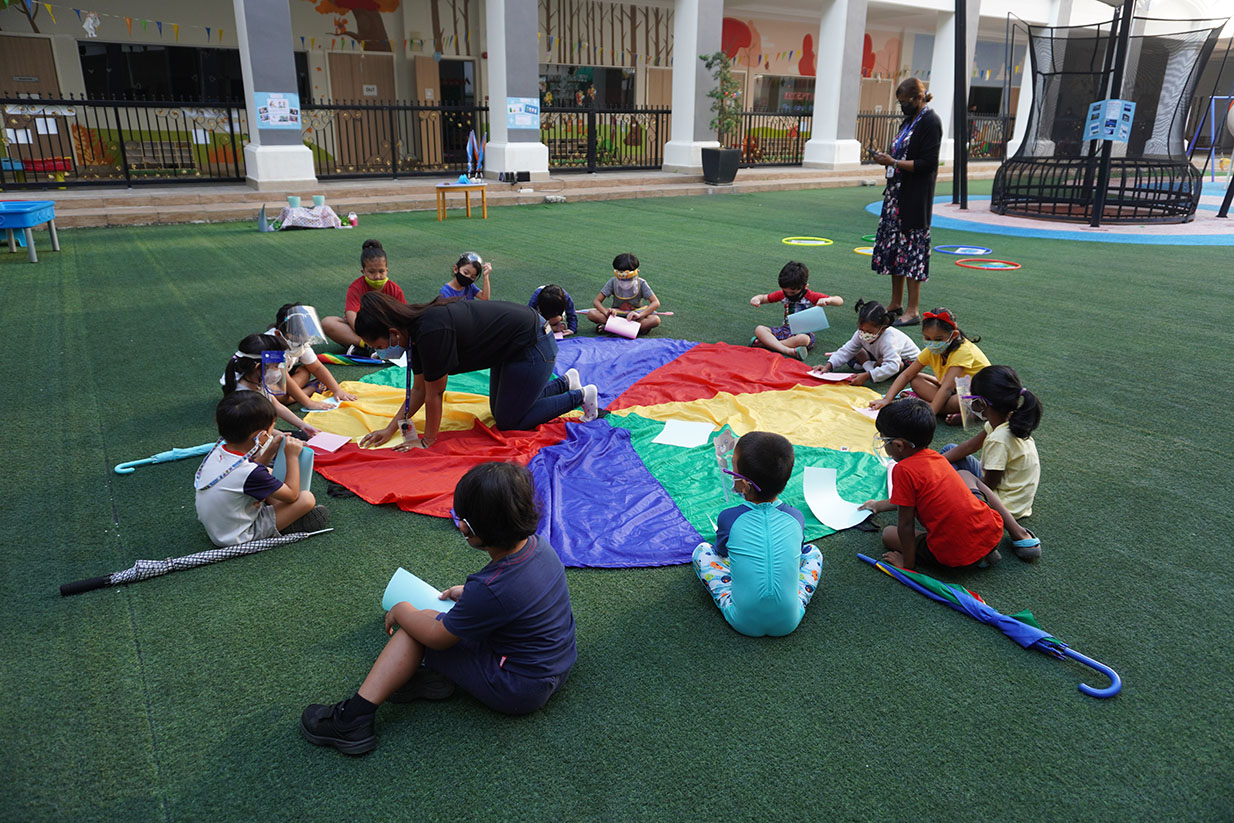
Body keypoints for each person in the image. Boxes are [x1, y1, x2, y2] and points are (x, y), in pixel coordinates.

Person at [300, 462, 577, 755]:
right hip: (556, 665)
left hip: (519, 687)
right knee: (430, 622)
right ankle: (430, 680)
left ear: (468, 529)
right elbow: (520, 598)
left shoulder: (490, 588)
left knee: (416, 628)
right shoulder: (539, 546)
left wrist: (402, 610)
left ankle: (352, 722)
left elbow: (437, 637)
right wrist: (470, 596)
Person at [353, 292, 599, 449]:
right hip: (510, 349)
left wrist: (427, 441)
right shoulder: (414, 333)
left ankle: (581, 395)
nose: (382, 353)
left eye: (380, 347)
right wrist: (390, 429)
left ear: (393, 333)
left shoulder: (430, 332)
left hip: (533, 345)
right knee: (501, 412)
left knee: (511, 421)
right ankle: (565, 382)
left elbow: (434, 393)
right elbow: (418, 390)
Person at [692, 432, 822, 637]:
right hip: (788, 622)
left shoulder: (729, 518)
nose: (730, 473)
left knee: (702, 551)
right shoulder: (796, 517)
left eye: (733, 469)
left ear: (744, 485)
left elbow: (721, 552)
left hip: (742, 621)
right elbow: (798, 552)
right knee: (813, 552)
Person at [858, 398, 1010, 571]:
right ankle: (988, 552)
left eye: (884, 440)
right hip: (991, 533)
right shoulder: (937, 458)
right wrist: (878, 505)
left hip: (956, 552)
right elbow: (908, 499)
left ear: (899, 445)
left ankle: (975, 558)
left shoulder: (903, 470)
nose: (883, 444)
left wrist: (907, 564)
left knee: (888, 534)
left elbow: (906, 525)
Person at [195, 392, 327, 547]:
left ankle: (282, 514)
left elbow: (252, 471)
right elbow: (292, 495)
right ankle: (285, 527)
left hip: (219, 527)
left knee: (268, 474)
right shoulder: (250, 472)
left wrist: (270, 450)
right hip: (237, 536)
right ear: (261, 436)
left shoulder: (219, 451)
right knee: (306, 499)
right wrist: (292, 456)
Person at [940, 365, 1042, 560]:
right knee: (949, 451)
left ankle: (981, 539)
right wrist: (934, 463)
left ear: (980, 403)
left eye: (972, 398)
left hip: (1004, 504)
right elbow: (969, 447)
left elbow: (988, 485)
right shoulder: (1005, 422)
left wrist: (952, 483)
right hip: (1014, 497)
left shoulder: (999, 439)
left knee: (959, 478)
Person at [870, 77, 943, 328]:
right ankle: (895, 303)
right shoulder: (909, 121)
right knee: (895, 250)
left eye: (905, 102)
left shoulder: (930, 122)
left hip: (914, 198)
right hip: (896, 196)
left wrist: (893, 162)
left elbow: (928, 163)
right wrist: (888, 159)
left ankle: (912, 310)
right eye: (900, 102)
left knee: (912, 252)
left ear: (919, 98)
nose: (902, 106)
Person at [869, 307, 988, 424]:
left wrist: (930, 413)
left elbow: (947, 388)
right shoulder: (931, 350)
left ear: (953, 335)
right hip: (952, 389)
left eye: (938, 339)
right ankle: (956, 411)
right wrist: (887, 399)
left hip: (974, 393)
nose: (932, 343)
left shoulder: (963, 351)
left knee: (959, 401)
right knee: (915, 379)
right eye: (927, 338)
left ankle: (938, 408)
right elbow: (906, 375)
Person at [221, 333, 320, 439]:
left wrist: (303, 425)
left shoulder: (256, 382)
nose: (279, 371)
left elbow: (277, 406)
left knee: (304, 436)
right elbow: (255, 431)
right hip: (253, 439)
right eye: (276, 366)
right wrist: (282, 437)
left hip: (263, 432)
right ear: (258, 366)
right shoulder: (245, 398)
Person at [321, 239, 407, 355]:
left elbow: (403, 315)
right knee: (327, 323)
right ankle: (367, 346)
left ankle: (365, 348)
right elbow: (351, 315)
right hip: (360, 331)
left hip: (385, 331)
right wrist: (366, 337)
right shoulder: (356, 287)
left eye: (381, 271)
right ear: (363, 272)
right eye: (371, 272)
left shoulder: (394, 289)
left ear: (387, 270)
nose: (377, 276)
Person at [269, 302, 358, 409]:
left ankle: (301, 392)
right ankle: (311, 389)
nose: (303, 344)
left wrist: (337, 390)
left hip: (285, 377)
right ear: (279, 334)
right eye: (298, 341)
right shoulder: (272, 347)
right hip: (270, 382)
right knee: (278, 396)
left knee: (305, 371)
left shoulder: (300, 341)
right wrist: (309, 403)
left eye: (305, 340)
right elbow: (286, 381)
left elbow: (317, 368)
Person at [810, 298, 919, 386]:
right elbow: (847, 349)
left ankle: (871, 368)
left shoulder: (889, 339)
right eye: (861, 329)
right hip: (880, 356)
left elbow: (893, 366)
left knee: (893, 364)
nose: (864, 334)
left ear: (882, 329)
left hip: (908, 363)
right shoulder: (861, 334)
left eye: (869, 331)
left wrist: (868, 376)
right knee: (856, 352)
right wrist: (828, 366)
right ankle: (871, 367)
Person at [749, 261, 843, 361]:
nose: (789, 294)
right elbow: (765, 298)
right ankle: (788, 350)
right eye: (786, 291)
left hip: (803, 332)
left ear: (805, 286)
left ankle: (767, 344)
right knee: (759, 329)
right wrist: (756, 299)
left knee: (803, 339)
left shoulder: (811, 296)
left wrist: (829, 300)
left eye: (793, 292)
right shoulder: (783, 294)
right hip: (785, 330)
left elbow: (839, 300)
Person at [586, 252, 661, 335]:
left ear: (637, 271)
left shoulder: (641, 283)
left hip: (635, 316)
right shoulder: (613, 281)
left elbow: (656, 302)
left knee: (655, 320)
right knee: (591, 314)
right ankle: (634, 329)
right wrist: (606, 312)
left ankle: (612, 328)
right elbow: (596, 301)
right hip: (616, 316)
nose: (625, 282)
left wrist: (640, 315)